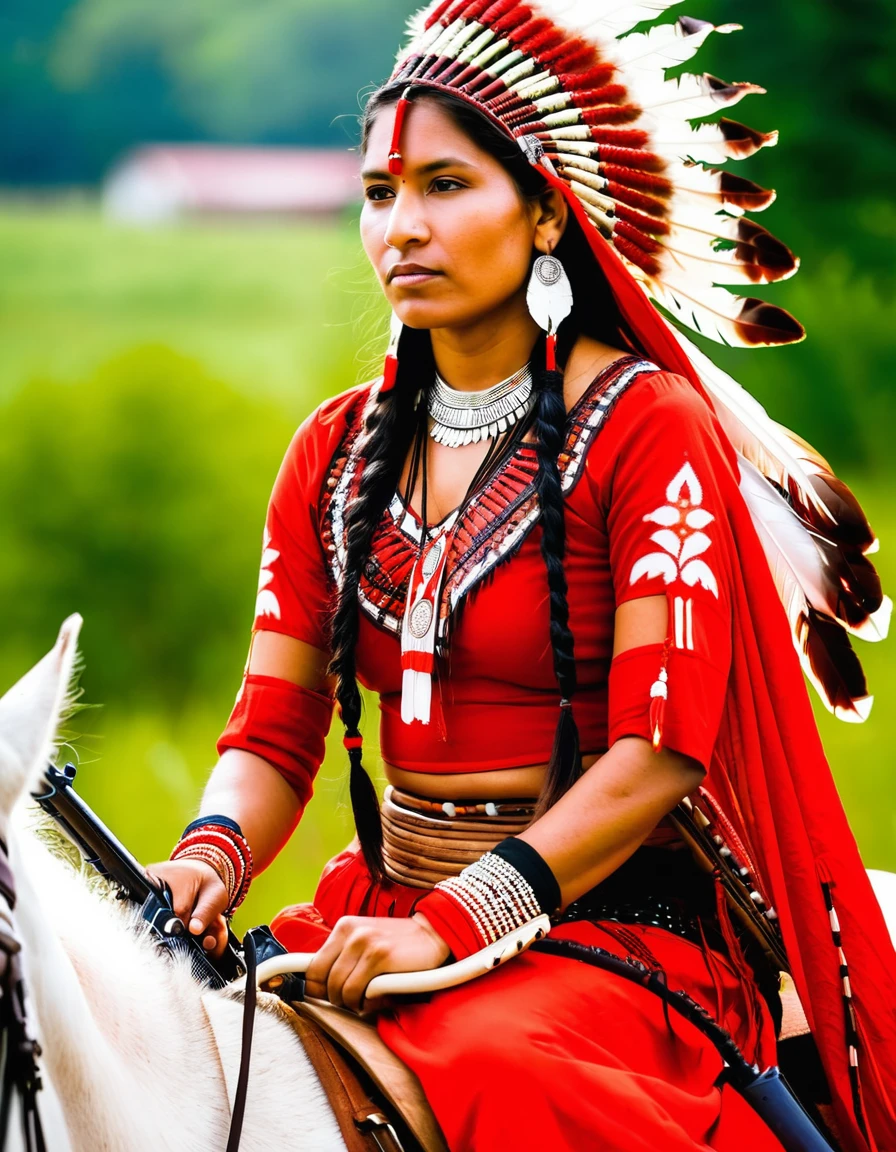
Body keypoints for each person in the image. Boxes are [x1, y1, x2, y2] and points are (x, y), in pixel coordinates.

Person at [149, 3, 896, 1149]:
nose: (402, 227)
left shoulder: (645, 430)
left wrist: (456, 923)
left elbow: (657, 756)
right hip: (384, 912)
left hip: (618, 938)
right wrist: (209, 856)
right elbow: (273, 730)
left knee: (497, 1069)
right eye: (379, 193)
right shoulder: (334, 455)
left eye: (446, 186)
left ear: (545, 210)